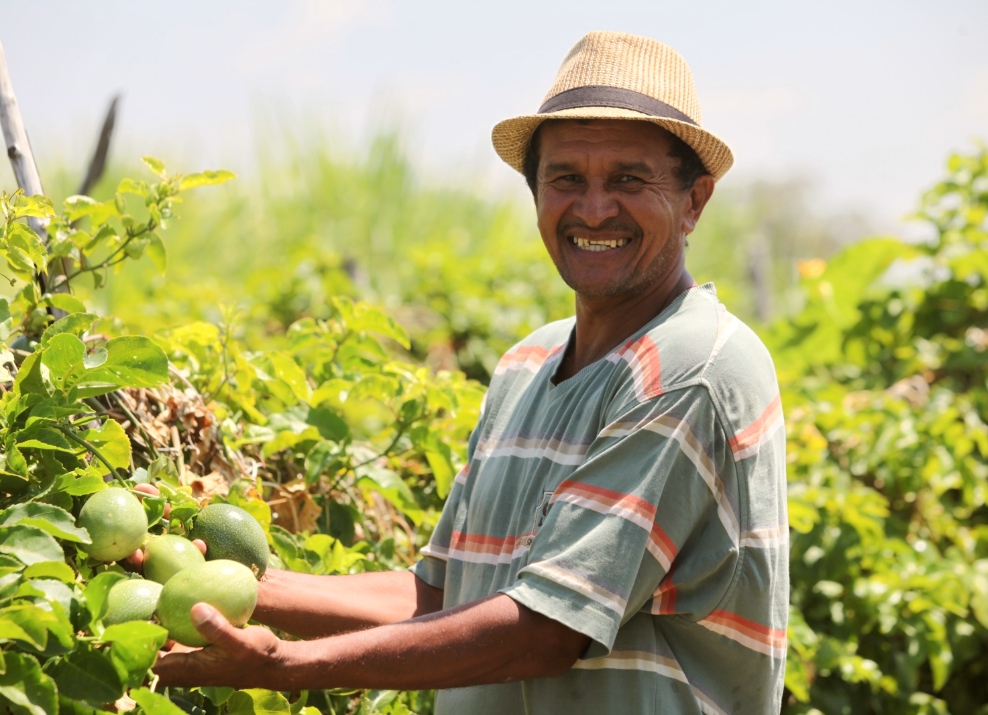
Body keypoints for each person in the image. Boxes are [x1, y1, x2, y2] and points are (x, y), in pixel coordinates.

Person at [154, 31, 789, 714]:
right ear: (535, 192)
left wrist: (290, 664)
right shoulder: (525, 367)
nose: (595, 207)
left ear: (695, 200)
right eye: (566, 178)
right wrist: (241, 588)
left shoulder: (695, 365)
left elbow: (547, 630)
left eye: (629, 178)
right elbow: (438, 596)